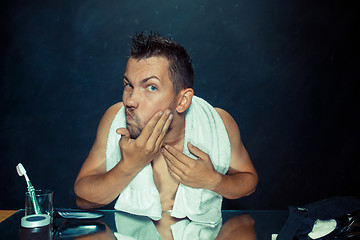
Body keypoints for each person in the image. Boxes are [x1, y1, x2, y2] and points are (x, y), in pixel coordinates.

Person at [74, 32, 258, 223]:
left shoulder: (218, 122)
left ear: (182, 100)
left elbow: (249, 182)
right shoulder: (115, 118)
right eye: (128, 85)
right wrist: (129, 165)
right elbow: (83, 199)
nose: (130, 101)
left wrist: (213, 180)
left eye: (151, 87)